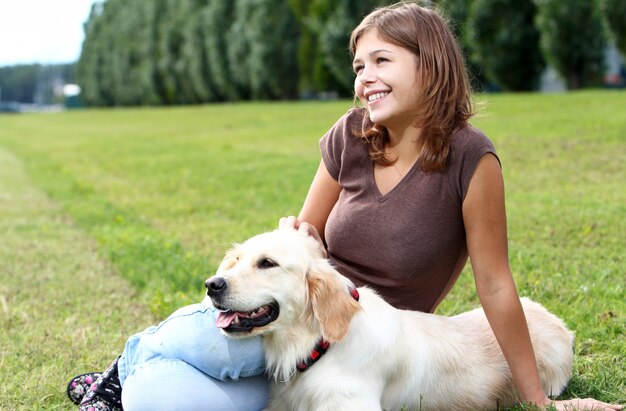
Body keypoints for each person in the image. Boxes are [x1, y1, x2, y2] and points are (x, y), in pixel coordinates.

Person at [67, 3, 623, 411]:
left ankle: (126, 384)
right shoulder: (351, 134)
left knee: (165, 400)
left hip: (372, 335)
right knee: (205, 344)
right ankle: (119, 374)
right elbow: (308, 234)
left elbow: (496, 285)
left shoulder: (472, 161)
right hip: (294, 315)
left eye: (381, 60)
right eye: (359, 66)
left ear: (430, 65)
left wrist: (536, 401)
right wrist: (294, 238)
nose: (365, 79)